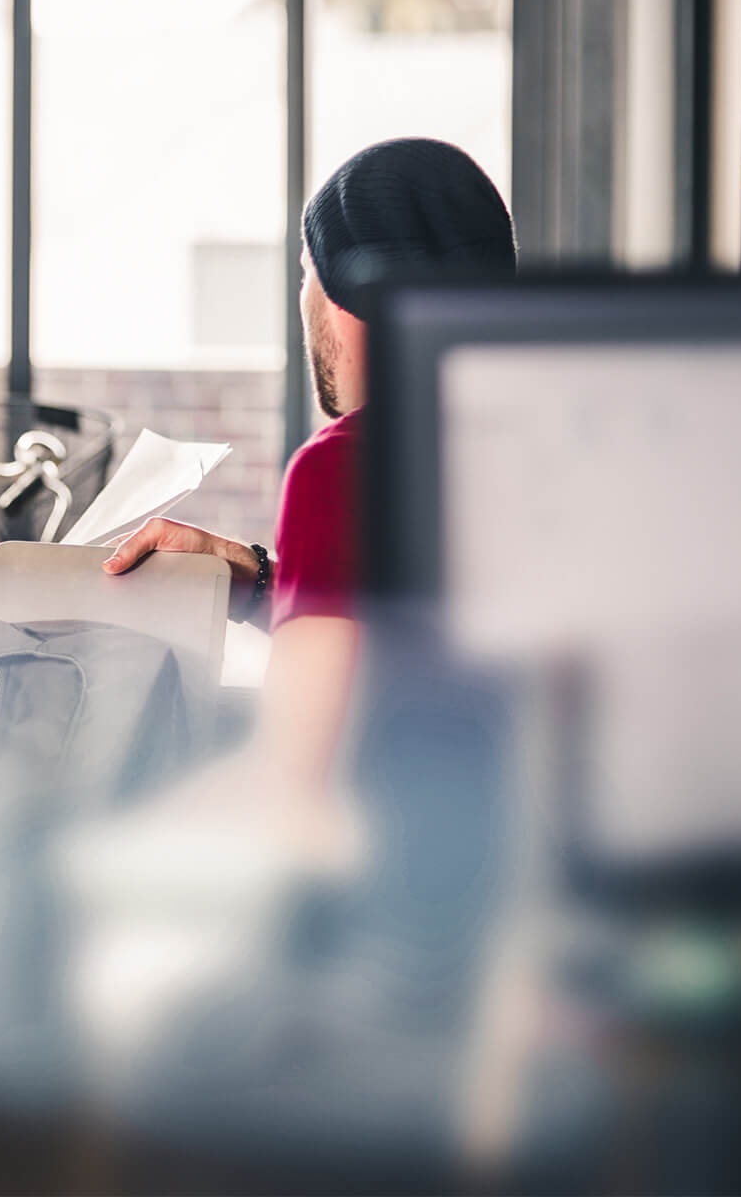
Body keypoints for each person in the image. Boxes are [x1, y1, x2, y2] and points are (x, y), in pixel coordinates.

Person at [103, 138, 517, 806]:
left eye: (306, 273)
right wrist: (261, 579)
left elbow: (299, 774)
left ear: (347, 298)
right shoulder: (534, 436)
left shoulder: (346, 463)